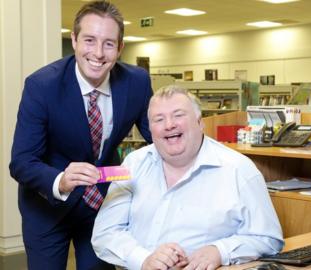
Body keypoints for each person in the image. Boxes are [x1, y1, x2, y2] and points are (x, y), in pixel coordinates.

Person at [9, 1, 152, 269]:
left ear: (120, 48)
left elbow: (158, 138)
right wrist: (61, 180)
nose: (98, 53)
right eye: (89, 40)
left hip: (101, 204)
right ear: (74, 40)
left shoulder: (137, 82)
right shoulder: (42, 86)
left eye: (109, 43)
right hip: (47, 208)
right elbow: (21, 161)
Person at [92, 85, 284, 270]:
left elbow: (268, 238)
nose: (169, 125)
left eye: (178, 115)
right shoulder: (133, 164)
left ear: (200, 123)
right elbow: (105, 233)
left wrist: (220, 251)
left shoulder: (238, 170)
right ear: (150, 129)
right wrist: (143, 260)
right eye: (159, 119)